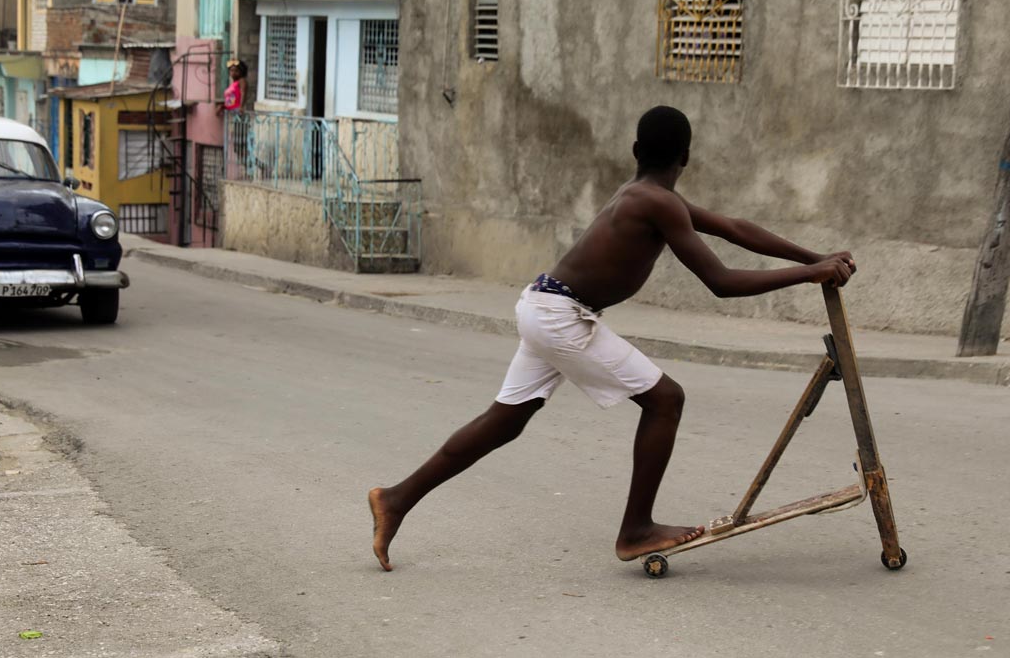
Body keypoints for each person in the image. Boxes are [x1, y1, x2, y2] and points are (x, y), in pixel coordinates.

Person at [367, 106, 857, 572]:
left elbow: (733, 228)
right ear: (686, 157)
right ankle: (636, 530)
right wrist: (809, 273)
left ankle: (395, 499)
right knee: (665, 400)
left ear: (634, 149)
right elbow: (721, 282)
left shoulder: (645, 195)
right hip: (561, 315)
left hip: (546, 304)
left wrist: (816, 258)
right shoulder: (657, 202)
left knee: (504, 422)